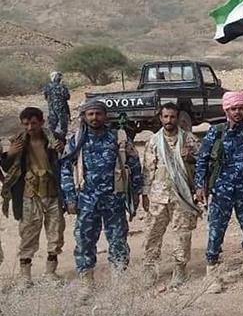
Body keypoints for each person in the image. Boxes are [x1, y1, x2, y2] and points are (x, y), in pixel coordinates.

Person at [60, 100, 142, 293]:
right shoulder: (76, 140)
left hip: (114, 199)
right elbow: (65, 169)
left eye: (98, 113)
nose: (94, 117)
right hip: (86, 201)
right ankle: (86, 283)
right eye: (90, 114)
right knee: (84, 241)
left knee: (118, 240)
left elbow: (134, 164)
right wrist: (70, 197)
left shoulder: (118, 138)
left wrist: (135, 192)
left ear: (105, 116)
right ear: (84, 117)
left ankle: (119, 281)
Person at [194, 92, 243, 293]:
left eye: (241, 108)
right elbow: (202, 160)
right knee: (216, 231)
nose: (237, 112)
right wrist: (199, 186)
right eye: (234, 109)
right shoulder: (216, 132)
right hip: (221, 190)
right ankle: (212, 270)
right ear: (226, 110)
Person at [0, 107, 65, 287]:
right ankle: (25, 276)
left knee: (55, 233)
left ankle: (51, 272)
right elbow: (7, 167)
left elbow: (67, 161)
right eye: (26, 124)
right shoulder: (18, 142)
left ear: (41, 122)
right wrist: (11, 154)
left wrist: (61, 150)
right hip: (29, 195)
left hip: (52, 192)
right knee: (28, 234)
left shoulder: (54, 140)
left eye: (34, 123)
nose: (30, 127)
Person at [141, 103, 202, 288]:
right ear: (161, 118)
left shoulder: (189, 139)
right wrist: (145, 194)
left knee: (182, 233)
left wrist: (190, 157)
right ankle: (150, 269)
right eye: (165, 117)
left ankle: (180, 268)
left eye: (172, 117)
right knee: (152, 233)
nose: (169, 120)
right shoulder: (153, 141)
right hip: (158, 196)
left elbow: (203, 163)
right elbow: (148, 170)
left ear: (178, 118)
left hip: (181, 196)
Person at [42, 71, 71, 137]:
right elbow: (67, 97)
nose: (60, 77)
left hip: (51, 109)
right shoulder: (62, 86)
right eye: (59, 76)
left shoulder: (47, 86)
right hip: (62, 109)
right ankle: (61, 140)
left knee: (52, 126)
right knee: (63, 127)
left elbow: (45, 97)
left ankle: (51, 139)